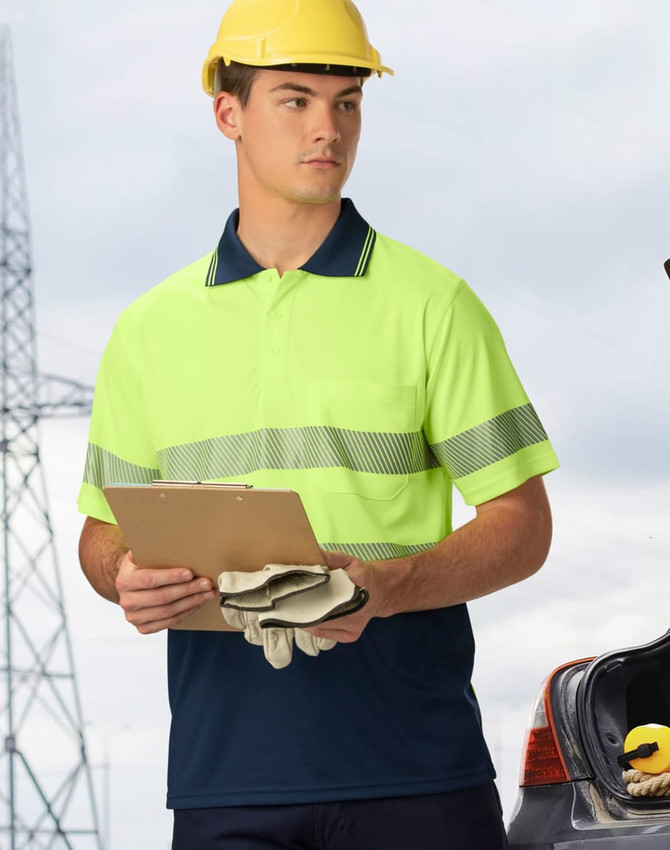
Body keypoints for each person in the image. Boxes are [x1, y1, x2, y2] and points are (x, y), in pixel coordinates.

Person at [77, 1, 559, 847]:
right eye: (294, 100)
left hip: (419, 774)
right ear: (228, 113)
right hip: (224, 781)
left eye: (347, 102)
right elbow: (100, 534)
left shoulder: (434, 305)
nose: (327, 128)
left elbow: (523, 527)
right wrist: (123, 573)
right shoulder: (147, 330)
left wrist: (387, 586)